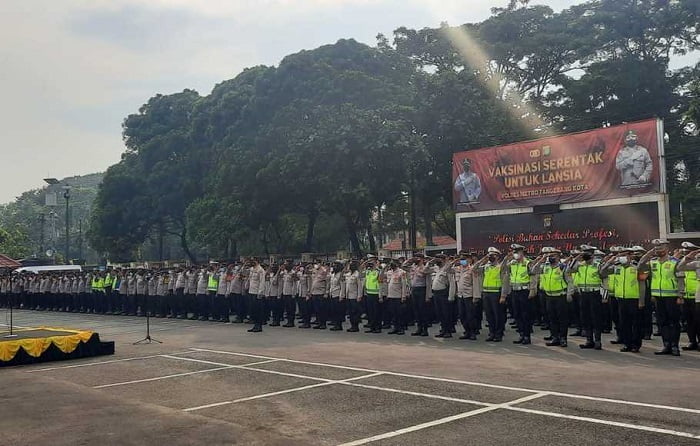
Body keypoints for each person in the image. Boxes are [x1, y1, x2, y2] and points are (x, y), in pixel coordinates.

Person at [639, 239, 684, 356]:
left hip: (672, 296)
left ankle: (674, 346)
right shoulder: (653, 262)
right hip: (658, 297)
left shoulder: (675, 262)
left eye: (661, 248)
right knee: (662, 322)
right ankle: (666, 345)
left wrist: (680, 295)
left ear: (667, 249)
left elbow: (680, 280)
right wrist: (648, 254)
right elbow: (640, 266)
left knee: (673, 322)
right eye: (656, 249)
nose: (658, 251)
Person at [569, 245, 604, 350]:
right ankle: (589, 340)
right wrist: (576, 258)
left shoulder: (598, 265)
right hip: (583, 294)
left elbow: (605, 281)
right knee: (585, 317)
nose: (585, 255)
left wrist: (604, 296)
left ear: (593, 255)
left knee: (596, 317)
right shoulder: (580, 265)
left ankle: (598, 340)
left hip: (595, 294)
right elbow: (569, 269)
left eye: (587, 253)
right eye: (584, 253)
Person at [533, 247, 570, 347]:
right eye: (549, 256)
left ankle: (563, 338)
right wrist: (542, 259)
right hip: (549, 296)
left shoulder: (563, 267)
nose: (550, 258)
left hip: (560, 296)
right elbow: (533, 269)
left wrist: (569, 294)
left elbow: (570, 282)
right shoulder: (545, 267)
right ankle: (555, 337)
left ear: (558, 257)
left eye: (552, 256)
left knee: (562, 319)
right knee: (552, 318)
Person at [474, 247, 508, 342]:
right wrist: (483, 259)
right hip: (486, 293)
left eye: (492, 255)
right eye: (489, 255)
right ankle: (491, 333)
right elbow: (474, 269)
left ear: (497, 256)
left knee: (498, 315)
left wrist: (503, 295)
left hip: (496, 293)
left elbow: (505, 281)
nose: (490, 257)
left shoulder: (501, 266)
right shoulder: (486, 266)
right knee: (489, 315)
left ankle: (498, 334)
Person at [505, 244, 534, 345]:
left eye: (517, 252)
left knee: (525, 314)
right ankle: (521, 334)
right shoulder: (512, 263)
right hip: (514, 291)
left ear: (522, 252)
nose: (516, 254)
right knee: (517, 314)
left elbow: (533, 277)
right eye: (514, 252)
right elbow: (502, 268)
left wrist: (532, 290)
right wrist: (506, 258)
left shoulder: (528, 263)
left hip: (524, 291)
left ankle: (527, 336)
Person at [678, 242, 700, 351]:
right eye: (685, 253)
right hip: (686, 296)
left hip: (696, 297)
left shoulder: (697, 264)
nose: (686, 254)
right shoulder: (687, 264)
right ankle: (692, 341)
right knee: (688, 322)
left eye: (688, 252)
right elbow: (679, 268)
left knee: (698, 321)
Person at [404, 254, 430, 337]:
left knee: (423, 311)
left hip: (422, 289)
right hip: (414, 289)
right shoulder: (413, 267)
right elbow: (403, 266)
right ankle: (419, 328)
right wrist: (410, 260)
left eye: (418, 258)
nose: (416, 259)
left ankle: (425, 329)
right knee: (416, 310)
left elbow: (426, 276)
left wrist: (428, 295)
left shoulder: (425, 267)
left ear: (422, 259)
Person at [454, 251, 478, 341]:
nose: (462, 261)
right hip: (460, 296)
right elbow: (448, 269)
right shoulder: (458, 269)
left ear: (469, 260)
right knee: (462, 315)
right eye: (461, 259)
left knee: (470, 315)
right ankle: (467, 331)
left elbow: (475, 284)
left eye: (464, 259)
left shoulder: (472, 269)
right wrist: (455, 261)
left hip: (469, 295)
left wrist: (475, 296)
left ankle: (472, 332)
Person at [383, 260, 409, 335]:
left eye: (393, 263)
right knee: (393, 313)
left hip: (398, 296)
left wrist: (403, 296)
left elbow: (404, 285)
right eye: (391, 263)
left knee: (399, 313)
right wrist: (384, 268)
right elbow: (384, 280)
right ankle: (395, 328)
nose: (392, 265)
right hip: (391, 296)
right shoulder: (389, 272)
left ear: (397, 264)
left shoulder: (402, 272)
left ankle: (401, 328)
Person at [343, 260, 363, 332]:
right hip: (348, 296)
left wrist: (359, 296)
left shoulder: (357, 275)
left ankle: (355, 326)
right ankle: (352, 325)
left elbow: (360, 286)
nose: (350, 267)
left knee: (355, 312)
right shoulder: (348, 274)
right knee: (350, 312)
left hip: (355, 296)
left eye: (351, 265)